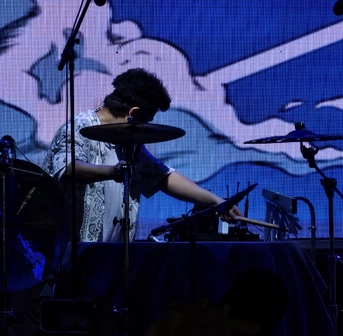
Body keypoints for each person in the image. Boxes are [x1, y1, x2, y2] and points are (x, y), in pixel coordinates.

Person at [44, 68, 241, 242]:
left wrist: (216, 201)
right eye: (146, 121)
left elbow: (163, 176)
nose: (145, 127)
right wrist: (112, 172)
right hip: (72, 255)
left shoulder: (128, 142)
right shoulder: (79, 127)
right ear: (133, 113)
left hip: (111, 256)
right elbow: (67, 168)